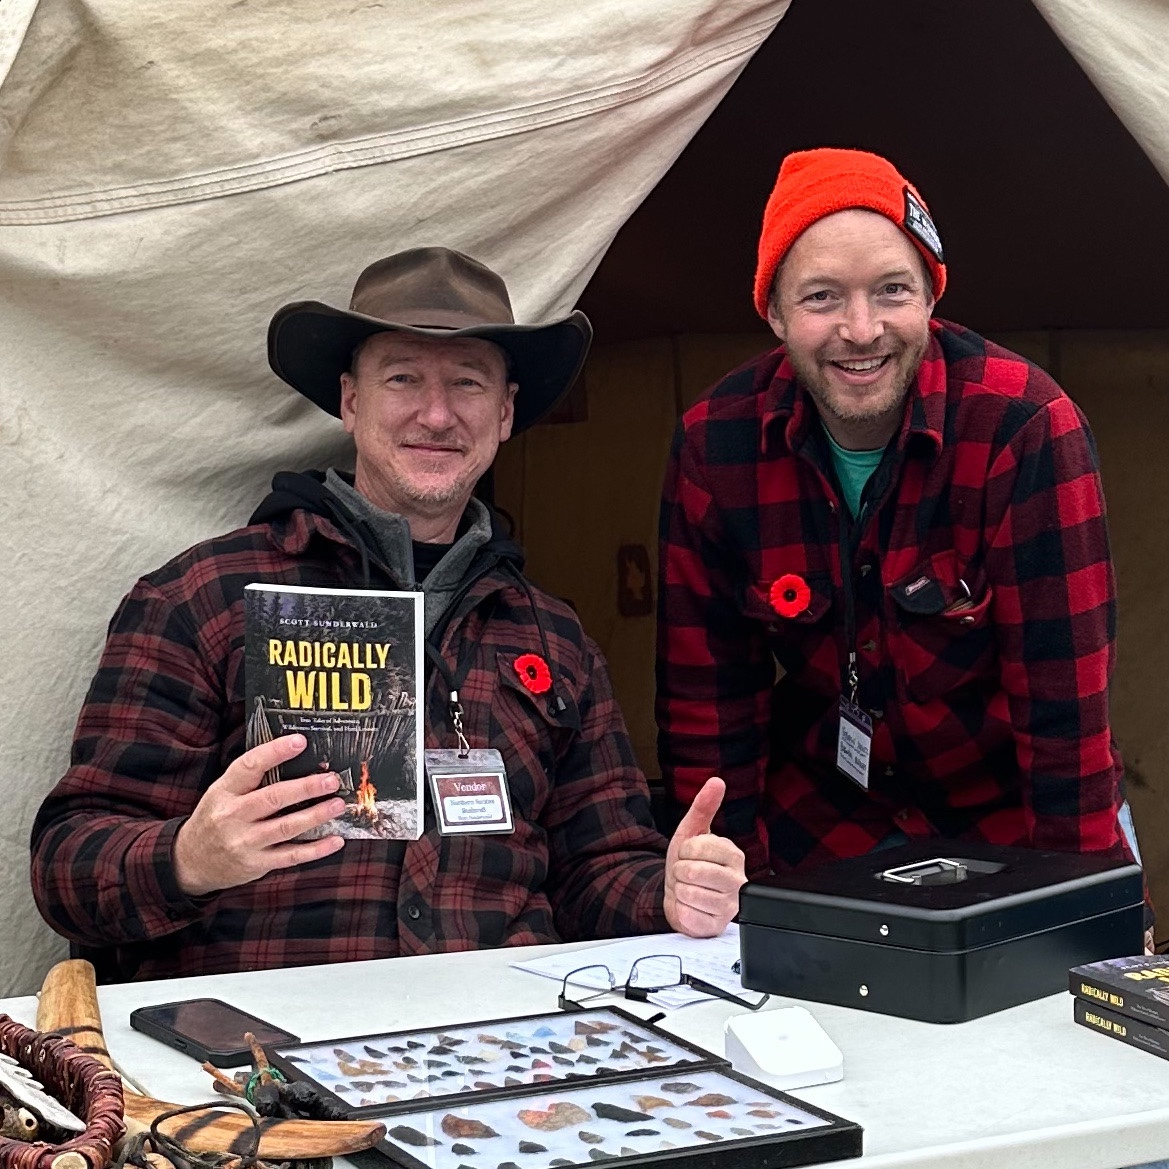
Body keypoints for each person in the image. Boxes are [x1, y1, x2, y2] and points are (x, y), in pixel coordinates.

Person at [31, 247, 746, 981]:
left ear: (503, 414)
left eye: (467, 383)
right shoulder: (202, 599)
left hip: (498, 1047)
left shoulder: (554, 639)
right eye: (402, 377)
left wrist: (665, 890)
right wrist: (189, 857)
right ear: (349, 401)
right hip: (251, 1057)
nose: (435, 414)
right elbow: (65, 866)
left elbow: (597, 869)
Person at [656, 147, 1140, 886]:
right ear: (773, 312)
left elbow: (1065, 719)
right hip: (824, 811)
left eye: (890, 290)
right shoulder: (713, 445)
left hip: (1008, 813)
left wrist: (1068, 913)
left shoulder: (1026, 426)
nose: (860, 329)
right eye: (821, 297)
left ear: (930, 297)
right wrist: (732, 898)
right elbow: (708, 709)